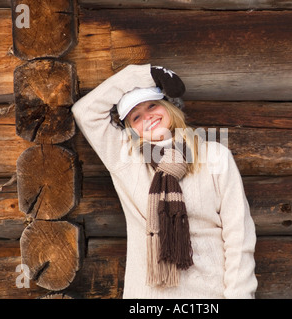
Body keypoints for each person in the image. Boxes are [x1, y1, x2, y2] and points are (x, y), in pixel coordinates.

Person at [71, 64, 257, 298]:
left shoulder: (215, 155)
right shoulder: (125, 158)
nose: (147, 116)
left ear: (170, 106)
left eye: (152, 105)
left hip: (212, 294)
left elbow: (238, 234)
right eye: (136, 116)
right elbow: (85, 112)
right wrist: (145, 74)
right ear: (131, 129)